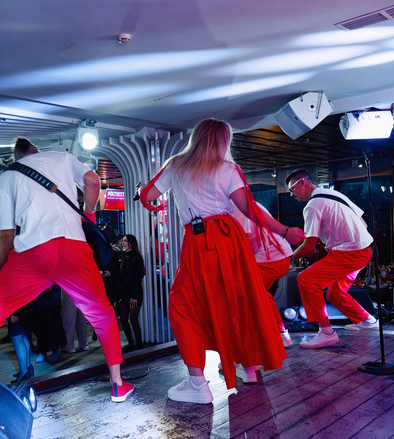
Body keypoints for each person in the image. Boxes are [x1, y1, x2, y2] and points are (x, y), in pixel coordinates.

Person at [0, 137, 133, 406]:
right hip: (74, 249)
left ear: (16, 157)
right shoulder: (62, 158)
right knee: (101, 313)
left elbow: (6, 236)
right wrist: (87, 214)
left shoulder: (8, 177)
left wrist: (0, 270)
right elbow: (92, 181)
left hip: (31, 254)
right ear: (36, 150)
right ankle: (118, 384)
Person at [139, 119, 304, 402]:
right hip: (229, 238)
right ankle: (247, 366)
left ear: (196, 138)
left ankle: (197, 382)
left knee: (182, 305)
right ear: (224, 141)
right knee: (236, 300)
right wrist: (284, 230)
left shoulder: (176, 164)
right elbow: (249, 209)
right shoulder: (227, 169)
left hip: (198, 240)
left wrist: (150, 198)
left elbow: (147, 194)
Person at [284, 170, 377, 348]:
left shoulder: (312, 206)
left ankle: (326, 332)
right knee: (335, 293)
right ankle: (368, 321)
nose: (291, 195)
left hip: (349, 253)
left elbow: (309, 245)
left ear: (302, 183)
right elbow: (363, 223)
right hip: (365, 250)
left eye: (292, 189)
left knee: (306, 279)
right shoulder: (334, 194)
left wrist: (289, 257)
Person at [236, 201, 296, 347]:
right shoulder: (244, 201)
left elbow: (243, 241)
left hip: (271, 259)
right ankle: (278, 335)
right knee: (258, 296)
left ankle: (277, 335)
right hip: (280, 256)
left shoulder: (235, 204)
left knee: (244, 293)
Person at [112, 234, 146, 350]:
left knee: (133, 319)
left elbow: (138, 279)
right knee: (123, 319)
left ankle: (139, 345)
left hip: (135, 292)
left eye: (125, 241)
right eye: (123, 241)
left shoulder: (137, 258)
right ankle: (131, 344)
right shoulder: (123, 256)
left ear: (131, 243)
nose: (123, 243)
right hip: (124, 293)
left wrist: (134, 296)